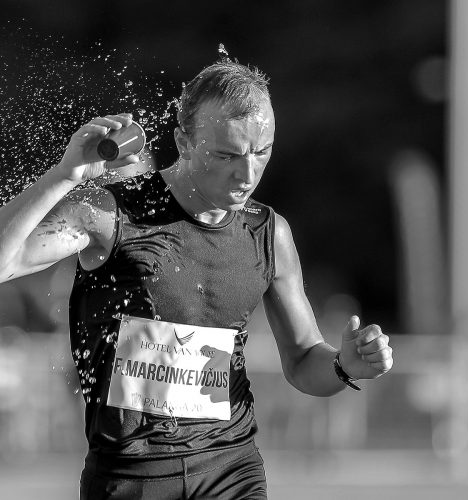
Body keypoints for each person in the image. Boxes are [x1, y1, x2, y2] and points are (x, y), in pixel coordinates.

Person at [0, 60, 393, 499]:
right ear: (183, 141)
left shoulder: (268, 233)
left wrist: (343, 365)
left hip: (231, 467)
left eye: (260, 152)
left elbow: (302, 360)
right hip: (131, 475)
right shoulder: (109, 215)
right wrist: (64, 176)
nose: (246, 175)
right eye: (226, 155)